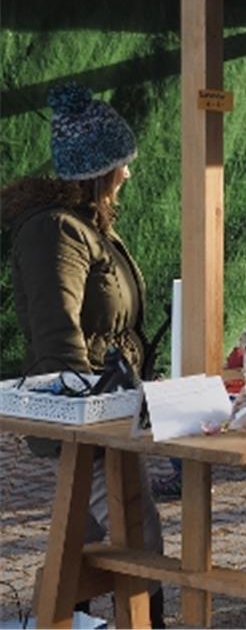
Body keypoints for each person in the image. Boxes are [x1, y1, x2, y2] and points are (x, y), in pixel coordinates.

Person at [1, 82, 165, 626]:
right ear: (99, 170)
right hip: (89, 421)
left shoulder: (86, 228)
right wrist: (90, 426)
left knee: (87, 545)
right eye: (123, 163)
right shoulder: (55, 232)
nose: (129, 174)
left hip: (108, 414)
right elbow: (57, 335)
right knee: (138, 539)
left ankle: (61, 618)